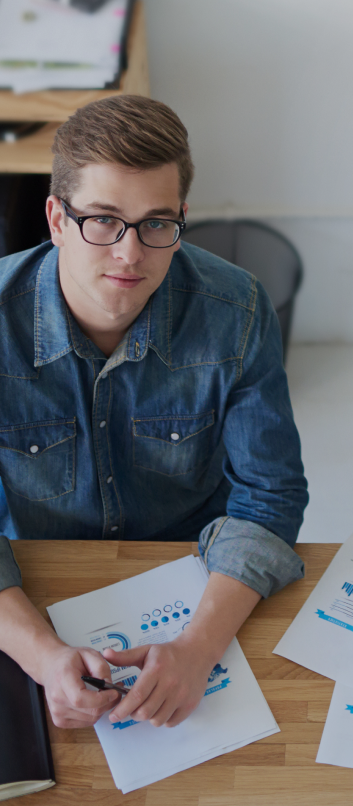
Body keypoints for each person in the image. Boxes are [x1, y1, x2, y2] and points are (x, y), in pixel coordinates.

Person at [0, 94, 308, 734]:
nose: (131, 254)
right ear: (56, 219)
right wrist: (40, 653)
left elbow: (270, 494)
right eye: (104, 221)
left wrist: (198, 647)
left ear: (181, 219)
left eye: (156, 223)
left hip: (198, 588)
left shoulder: (238, 309)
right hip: (32, 587)